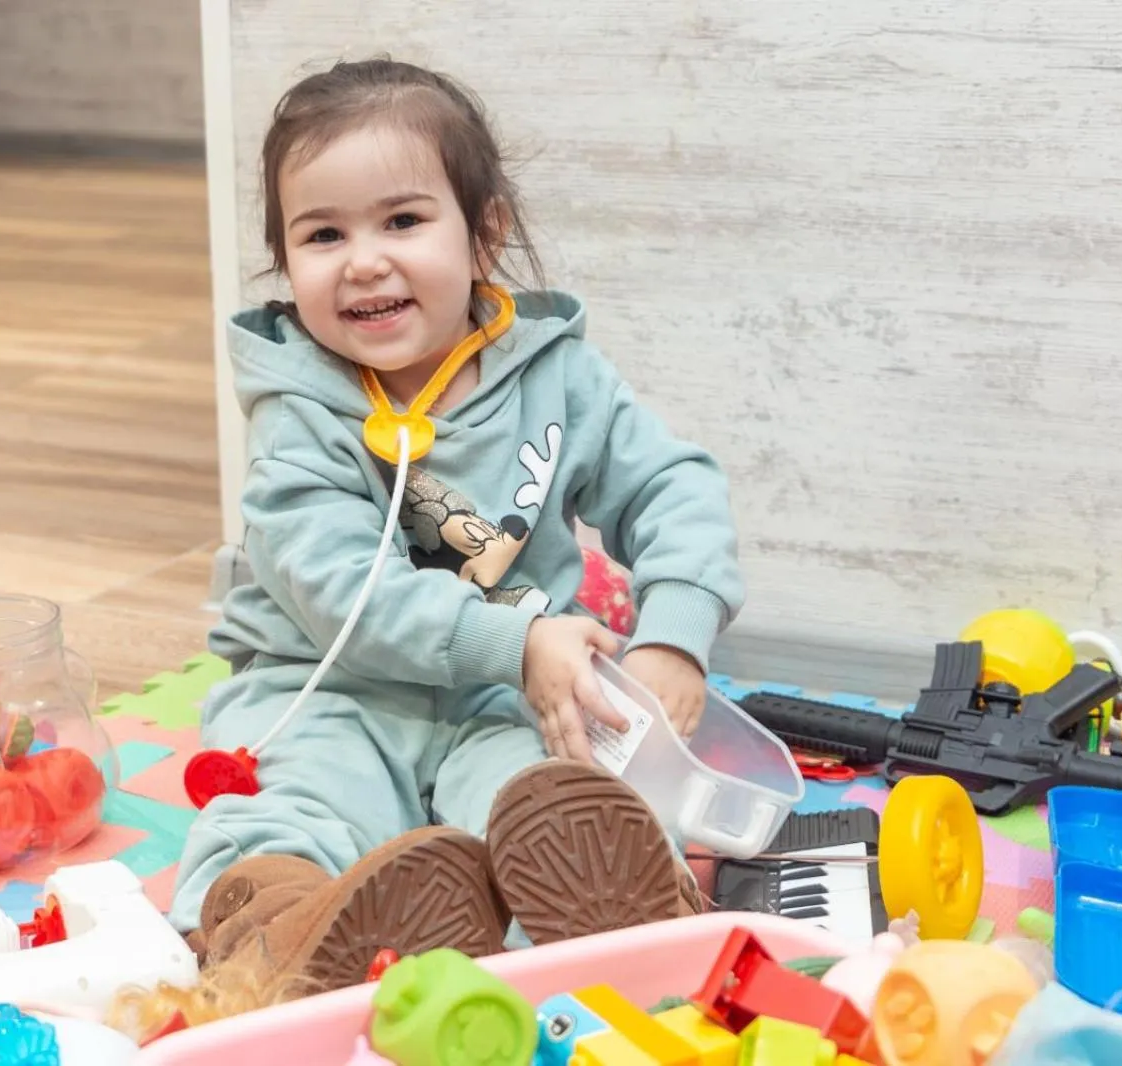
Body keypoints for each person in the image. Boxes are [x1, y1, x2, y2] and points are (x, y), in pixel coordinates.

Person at [171, 55, 745, 995]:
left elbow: (671, 486)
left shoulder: (557, 377)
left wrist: (676, 635)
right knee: (306, 802)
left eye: (402, 220)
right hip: (334, 685)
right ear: (288, 264)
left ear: (484, 236)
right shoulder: (300, 415)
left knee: (551, 797)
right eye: (323, 234)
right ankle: (282, 929)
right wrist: (521, 641)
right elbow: (338, 590)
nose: (363, 260)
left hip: (512, 694)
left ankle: (606, 908)